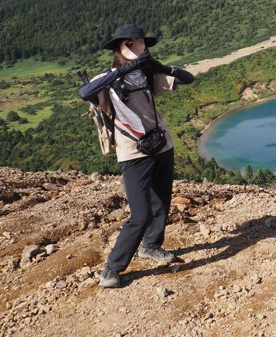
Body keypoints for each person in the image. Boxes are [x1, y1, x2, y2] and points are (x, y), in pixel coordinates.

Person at [78, 24, 194, 288]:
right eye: (138, 43)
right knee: (140, 215)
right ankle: (112, 268)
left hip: (162, 146)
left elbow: (188, 78)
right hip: (133, 153)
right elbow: (85, 93)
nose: (144, 47)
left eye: (144, 43)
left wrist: (161, 67)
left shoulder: (147, 75)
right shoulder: (109, 78)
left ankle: (151, 246)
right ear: (125, 46)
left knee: (161, 203)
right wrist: (124, 69)